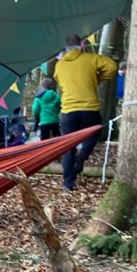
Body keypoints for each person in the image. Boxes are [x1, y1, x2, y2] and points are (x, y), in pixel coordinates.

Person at [53, 33, 117, 190]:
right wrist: (97, 79)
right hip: (89, 108)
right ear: (81, 45)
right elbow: (112, 67)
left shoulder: (60, 65)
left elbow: (58, 79)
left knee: (68, 147)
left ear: (66, 48)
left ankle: (68, 183)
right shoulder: (91, 58)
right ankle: (82, 155)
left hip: (68, 111)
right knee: (95, 133)